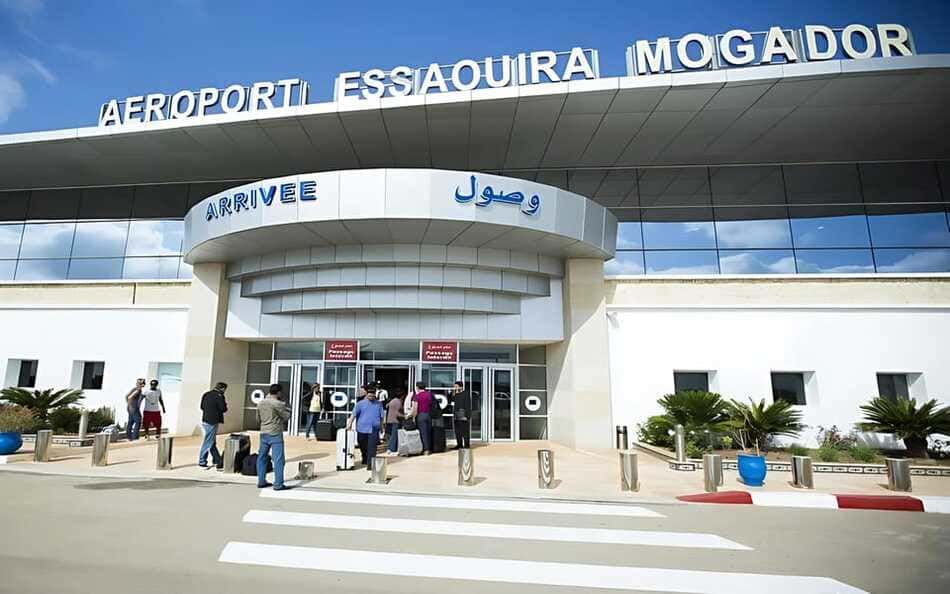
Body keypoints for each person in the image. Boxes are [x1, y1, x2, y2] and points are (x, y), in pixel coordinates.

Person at [256, 383, 292, 490]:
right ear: (279, 392)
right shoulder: (278, 404)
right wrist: (287, 407)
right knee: (278, 459)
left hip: (263, 433)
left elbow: (258, 419)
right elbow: (286, 416)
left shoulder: (261, 403)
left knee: (262, 457)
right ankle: (278, 484)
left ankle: (261, 481)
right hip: (275, 433)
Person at [348, 386, 384, 469]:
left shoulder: (378, 404)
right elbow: (353, 414)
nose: (371, 397)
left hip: (374, 428)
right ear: (366, 395)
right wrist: (349, 424)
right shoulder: (360, 404)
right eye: (369, 396)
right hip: (362, 428)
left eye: (373, 396)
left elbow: (381, 417)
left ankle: (370, 464)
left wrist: (382, 427)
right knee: (362, 444)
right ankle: (365, 457)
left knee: (372, 447)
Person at [198, 382, 228, 469]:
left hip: (205, 419)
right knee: (208, 441)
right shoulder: (219, 396)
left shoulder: (206, 394)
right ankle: (202, 460)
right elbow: (223, 408)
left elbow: (202, 407)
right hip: (213, 421)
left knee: (211, 441)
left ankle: (217, 459)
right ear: (222, 388)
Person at [409, 381, 433, 455]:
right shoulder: (429, 394)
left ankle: (426, 449)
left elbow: (415, 409)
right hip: (428, 415)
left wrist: (413, 417)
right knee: (428, 432)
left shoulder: (417, 396)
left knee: (423, 433)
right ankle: (429, 448)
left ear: (417, 387)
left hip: (421, 415)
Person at [451, 380, 472, 449]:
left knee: (465, 431)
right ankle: (459, 444)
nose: (455, 388)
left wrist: (467, 415)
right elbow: (451, 401)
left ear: (461, 387)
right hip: (456, 414)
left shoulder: (466, 394)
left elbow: (468, 405)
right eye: (454, 386)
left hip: (463, 414)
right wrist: (454, 394)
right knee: (457, 431)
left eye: (456, 386)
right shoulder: (455, 394)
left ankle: (466, 444)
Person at [385, 388, 405, 455]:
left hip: (389, 420)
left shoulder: (392, 401)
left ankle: (389, 448)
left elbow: (387, 406)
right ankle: (392, 449)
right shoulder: (398, 402)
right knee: (394, 435)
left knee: (390, 435)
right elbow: (397, 413)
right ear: (402, 396)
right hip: (395, 420)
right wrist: (405, 416)